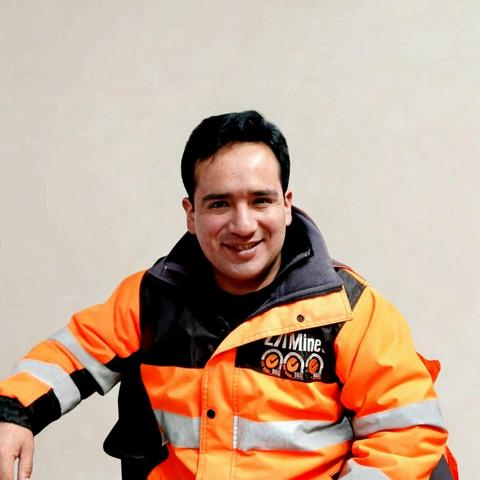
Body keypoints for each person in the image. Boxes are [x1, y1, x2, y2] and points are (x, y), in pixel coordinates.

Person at [0, 111, 456, 480]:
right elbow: (67, 355)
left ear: (286, 204)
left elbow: (406, 435)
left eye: (260, 200)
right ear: (190, 214)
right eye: (219, 203)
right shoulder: (149, 298)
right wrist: (12, 413)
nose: (242, 225)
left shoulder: (350, 310)